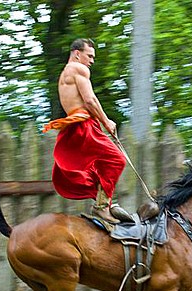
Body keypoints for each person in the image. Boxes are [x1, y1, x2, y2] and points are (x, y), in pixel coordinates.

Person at [43, 38, 133, 224]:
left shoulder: (64, 73)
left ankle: (104, 202)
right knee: (117, 159)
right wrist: (106, 121)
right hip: (83, 124)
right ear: (77, 53)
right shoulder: (79, 69)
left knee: (95, 167)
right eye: (89, 55)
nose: (92, 60)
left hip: (74, 125)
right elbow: (90, 100)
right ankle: (101, 207)